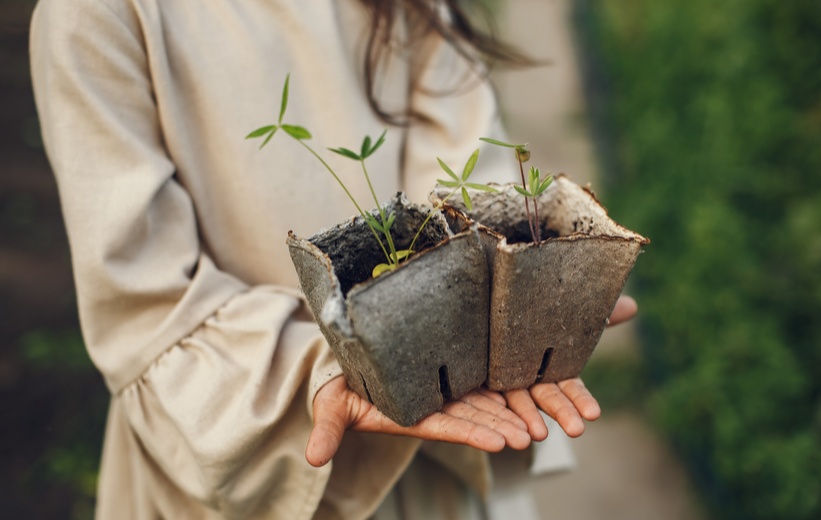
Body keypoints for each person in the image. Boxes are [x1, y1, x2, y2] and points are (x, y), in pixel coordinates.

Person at [30, 0, 638, 518]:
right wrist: (323, 372)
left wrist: (511, 288)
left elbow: (463, 168)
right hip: (259, 440)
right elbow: (148, 307)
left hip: (434, 426)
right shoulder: (95, 14)